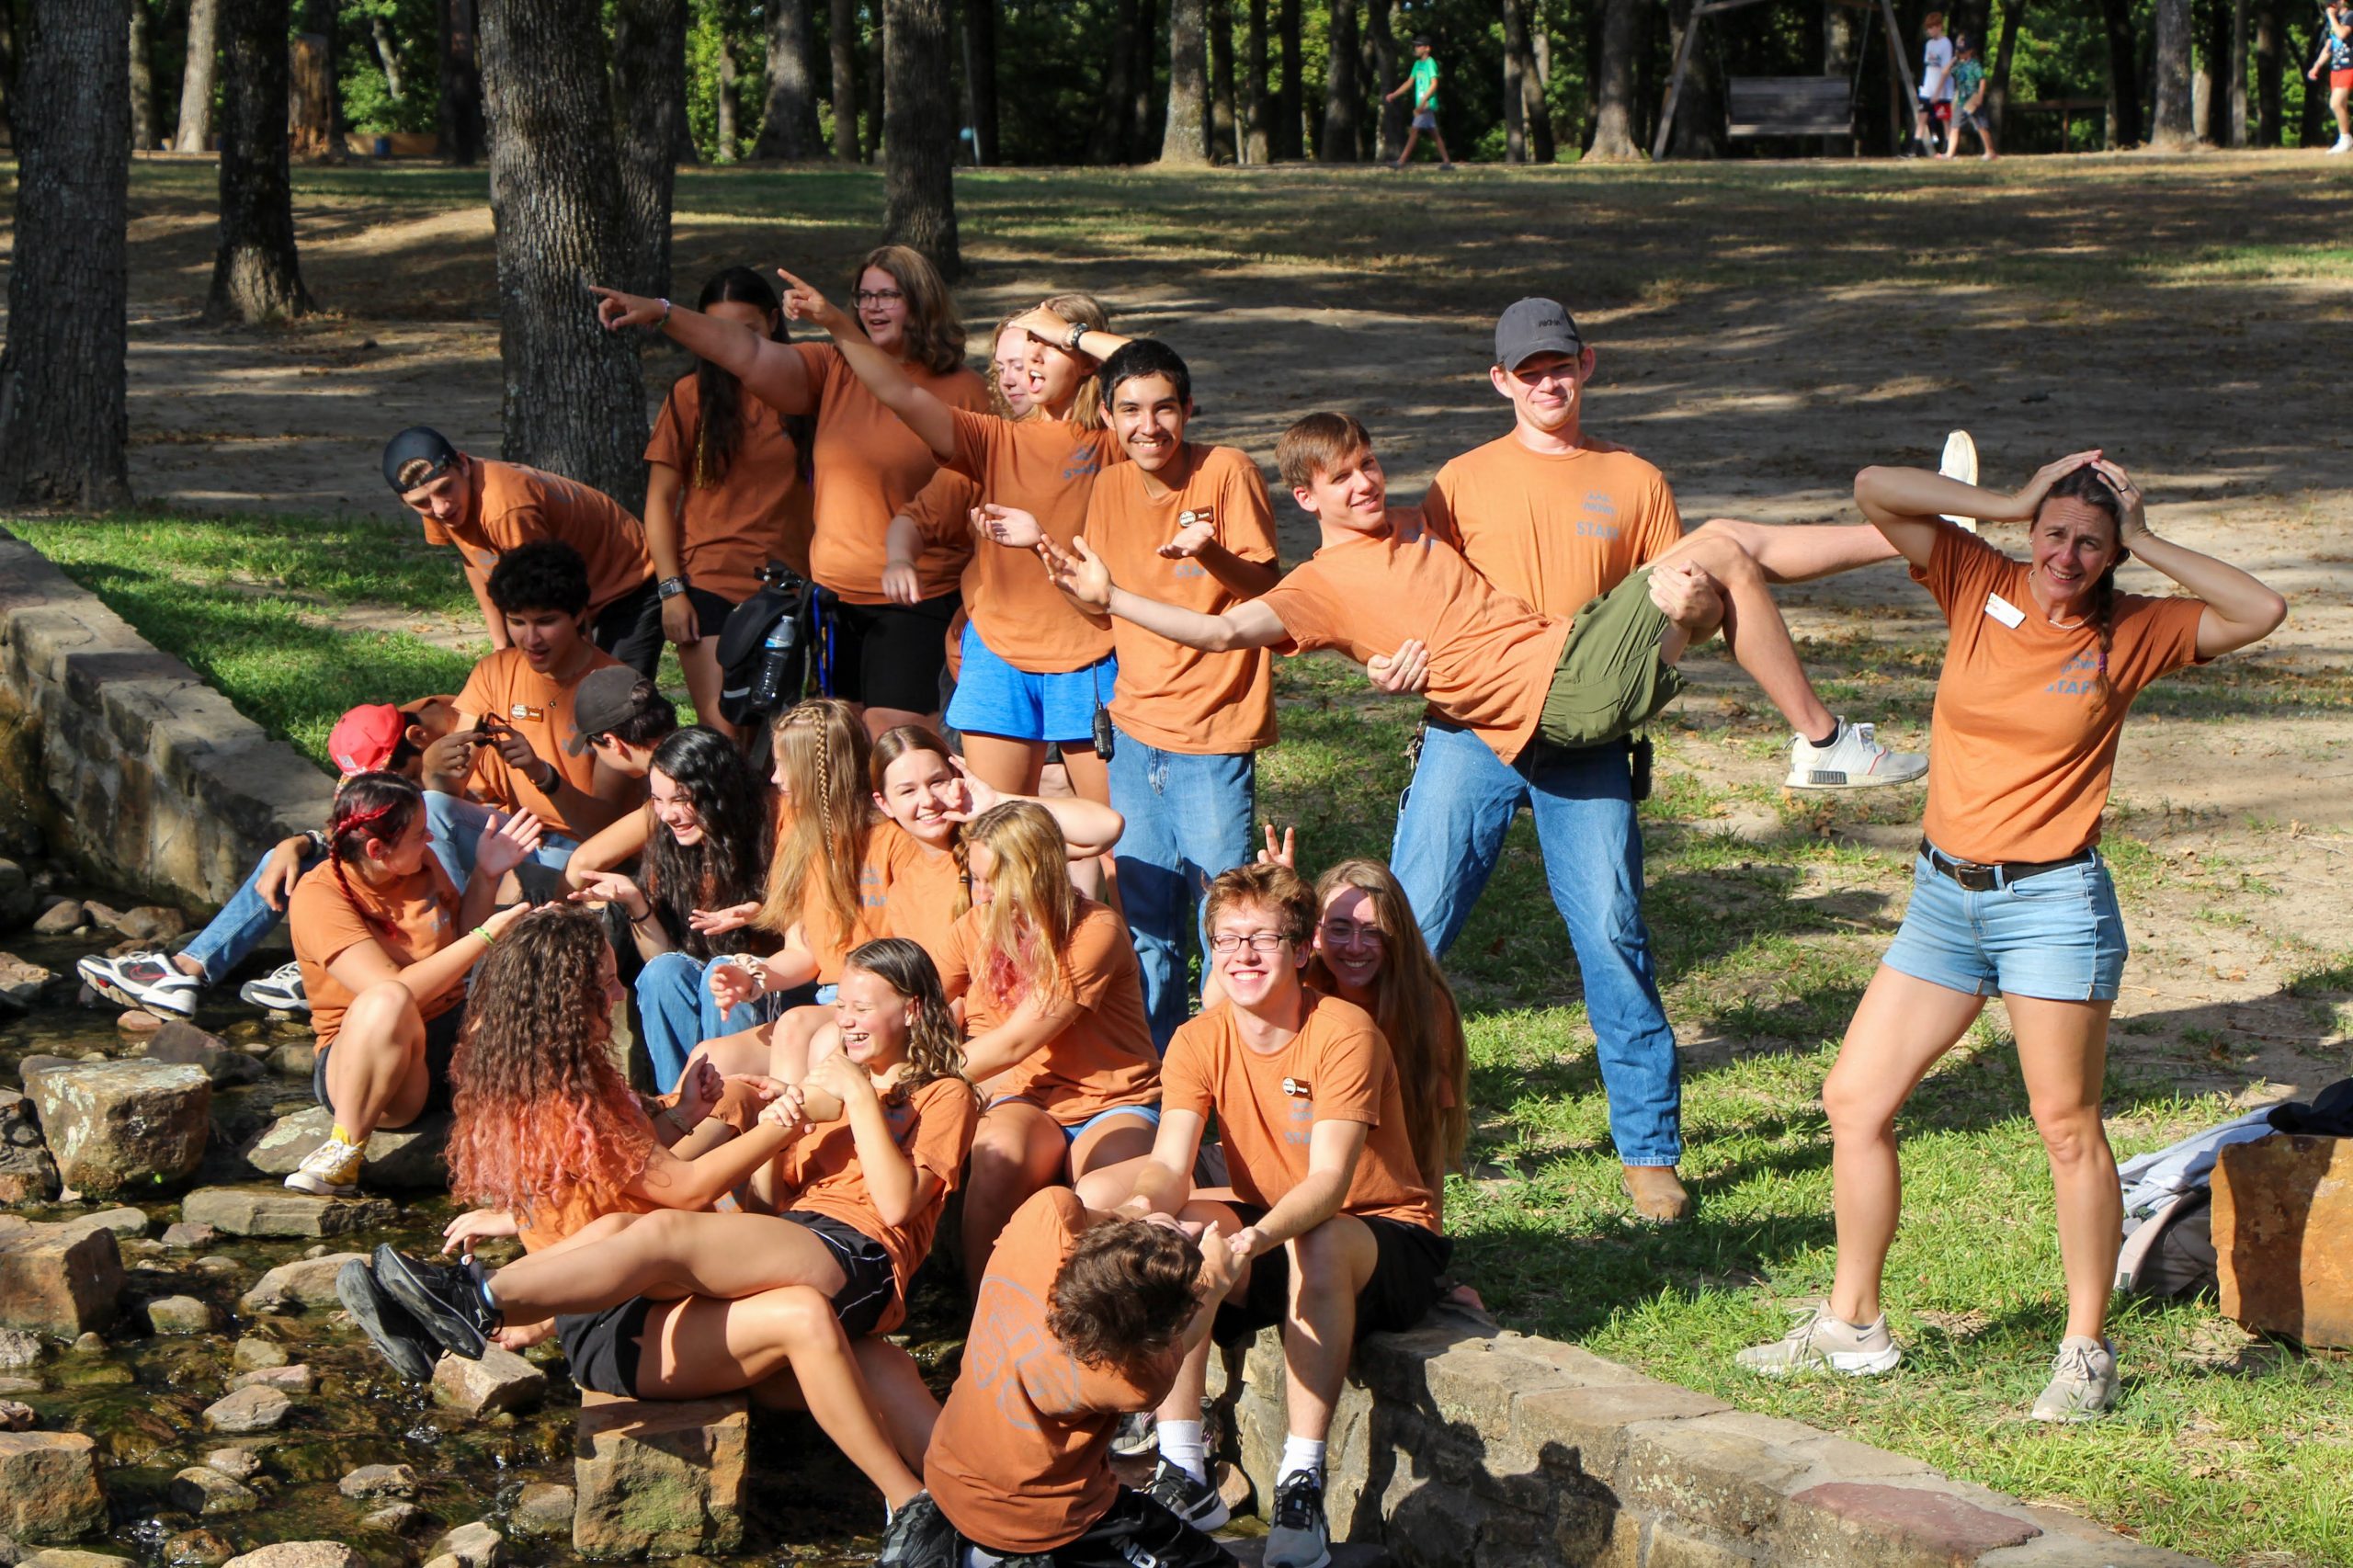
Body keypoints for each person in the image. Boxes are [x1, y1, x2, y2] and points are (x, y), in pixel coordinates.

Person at [1734, 451, 2285, 1421]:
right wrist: (2006, 501)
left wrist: (2146, 534)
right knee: (1854, 1098)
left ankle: (2086, 1353)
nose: (2066, 555)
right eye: (2054, 533)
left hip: (2052, 907)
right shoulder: (1975, 576)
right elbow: (1874, 489)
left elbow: (2260, 608)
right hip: (1943, 899)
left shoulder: (2133, 631)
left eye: (2091, 544)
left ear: (2113, 556)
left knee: (2066, 1127)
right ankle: (1852, 1324)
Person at [1395, 301, 1917, 1221]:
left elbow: (1690, 619)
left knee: (1614, 938)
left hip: (1586, 738)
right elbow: (1426, 599)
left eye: (1560, 365)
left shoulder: (1634, 480)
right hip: (1470, 729)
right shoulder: (1459, 482)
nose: (1547, 383)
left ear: (1588, 364)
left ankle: (1648, 1152)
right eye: (1529, 371)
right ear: (1500, 381)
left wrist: (1693, 612)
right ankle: (1379, 1124)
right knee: (1402, 935)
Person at [1040, 411, 1925, 914]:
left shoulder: (1418, 523)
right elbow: (1222, 632)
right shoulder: (1317, 586)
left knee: (1723, 549)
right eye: (1342, 478)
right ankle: (1824, 738)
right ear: (1306, 497)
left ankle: (1915, 539)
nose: (1364, 483)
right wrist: (1113, 596)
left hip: (1570, 656)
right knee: (1722, 542)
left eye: (1369, 464)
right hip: (1554, 696)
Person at [344, 917, 968, 1511]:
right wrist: (780, 1121)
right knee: (643, 1233)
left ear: (911, 1010)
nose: (845, 1020)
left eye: (860, 1007)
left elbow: (892, 1203)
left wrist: (826, 1103)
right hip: (770, 1250)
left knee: (660, 1229)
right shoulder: (577, 1093)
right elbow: (731, 1195)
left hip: (853, 1253)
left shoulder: (942, 1094)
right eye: (842, 1006)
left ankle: (474, 1299)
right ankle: (940, 1510)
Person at [1080, 863, 1449, 1564]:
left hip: (1382, 1231)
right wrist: (1142, 1211)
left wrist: (1250, 1240)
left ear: (1303, 951)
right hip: (1279, 1220)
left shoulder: (1344, 1031)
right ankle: (1184, 1469)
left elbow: (1330, 1185)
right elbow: (1170, 1164)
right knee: (1180, 1231)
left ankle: (1301, 1479)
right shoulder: (1198, 1038)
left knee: (1318, 1241)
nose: (1242, 954)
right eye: (1227, 939)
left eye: (1264, 939)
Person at [977, 340, 1279, 1048]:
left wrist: (1209, 551)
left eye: (1164, 409)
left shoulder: (1227, 471)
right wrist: (1052, 562)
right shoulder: (1110, 486)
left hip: (1212, 732)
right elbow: (1099, 608)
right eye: (1131, 411)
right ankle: (1159, 1070)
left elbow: (1268, 591)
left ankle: (1228, 1063)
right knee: (1145, 920)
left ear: (1189, 409)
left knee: (1224, 917)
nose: (1149, 426)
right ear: (1109, 418)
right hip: (1135, 728)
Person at [592, 245, 990, 737]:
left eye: (888, 295)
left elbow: (975, 501)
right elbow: (746, 350)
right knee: (841, 738)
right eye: (864, 296)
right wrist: (663, 313)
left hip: (916, 594)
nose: (873, 307)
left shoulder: (965, 390)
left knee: (895, 737)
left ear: (922, 300)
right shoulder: (832, 367)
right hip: (834, 598)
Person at [778, 275, 1135, 802]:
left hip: (1091, 655)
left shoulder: (1120, 438)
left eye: (1048, 347)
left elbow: (1153, 369)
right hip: (999, 656)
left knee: (1112, 833)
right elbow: (898, 392)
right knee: (995, 821)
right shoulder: (992, 437)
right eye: (1026, 349)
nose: (1031, 362)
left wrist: (1074, 334)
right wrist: (835, 322)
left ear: (1084, 359)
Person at [877, 1187, 1241, 1568]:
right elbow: (1183, 1337)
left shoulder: (1042, 1218)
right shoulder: (1133, 1379)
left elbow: (1075, 1212)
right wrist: (1214, 1281)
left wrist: (1133, 1216)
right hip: (1043, 1523)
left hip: (947, 1480)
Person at [75, 694, 472, 1020]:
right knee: (285, 863)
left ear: (418, 737)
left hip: (465, 892)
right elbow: (353, 831)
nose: (389, 791)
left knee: (429, 815)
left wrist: (438, 786)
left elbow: (476, 831)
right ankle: (186, 971)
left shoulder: (470, 739)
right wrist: (297, 844)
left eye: (393, 778)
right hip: (406, 882)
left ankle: (338, 970)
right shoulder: (405, 730)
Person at [280, 772, 541, 1196]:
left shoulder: (421, 864)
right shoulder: (318, 897)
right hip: (374, 1063)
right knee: (386, 1000)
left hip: (447, 1036)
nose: (431, 840)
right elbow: (399, 991)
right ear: (377, 851)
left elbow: (457, 943)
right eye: (420, 834)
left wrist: (486, 874)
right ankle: (344, 1150)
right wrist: (487, 936)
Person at [937, 801, 1161, 1276]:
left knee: (1098, 1192)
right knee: (997, 1157)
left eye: (994, 881)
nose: (982, 895)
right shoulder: (974, 926)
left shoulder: (1094, 930)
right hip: (1028, 1096)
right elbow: (915, 999)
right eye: (975, 879)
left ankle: (1083, 1314)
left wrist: (914, 1075)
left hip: (1113, 1101)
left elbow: (1016, 1041)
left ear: (1035, 876)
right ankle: (984, 1309)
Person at [642, 267, 817, 742]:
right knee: (724, 738)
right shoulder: (689, 395)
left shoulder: (806, 385)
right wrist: (672, 592)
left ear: (773, 322)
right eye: (717, 330)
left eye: (747, 330)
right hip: (710, 581)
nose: (732, 343)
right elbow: (659, 501)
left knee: (783, 743)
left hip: (791, 586)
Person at [566, 727, 778, 1093]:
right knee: (662, 973)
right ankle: (680, 1106)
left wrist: (758, 913)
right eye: (657, 801)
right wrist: (636, 901)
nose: (667, 815)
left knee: (720, 969)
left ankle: (734, 1105)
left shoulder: (767, 830)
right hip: (702, 982)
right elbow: (662, 958)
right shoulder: (670, 848)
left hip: (767, 991)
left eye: (680, 800)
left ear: (717, 792)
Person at [384, 427, 661, 676]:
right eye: (421, 503)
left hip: (630, 580)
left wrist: (576, 663)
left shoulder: (505, 509)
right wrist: (501, 647)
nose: (440, 507)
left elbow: (547, 591)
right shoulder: (441, 502)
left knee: (617, 695)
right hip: (576, 588)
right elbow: (475, 561)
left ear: (464, 465)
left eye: (445, 488)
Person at [450, 542, 649, 870]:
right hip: (516, 833)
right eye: (516, 622)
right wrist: (433, 767)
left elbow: (602, 827)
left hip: (581, 848)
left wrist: (543, 776)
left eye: (545, 621)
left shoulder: (618, 688)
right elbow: (450, 786)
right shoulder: (493, 671)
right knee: (432, 807)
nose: (531, 639)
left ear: (579, 614)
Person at [1386, 35, 1452, 169]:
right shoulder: (1417, 64)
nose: (1416, 48)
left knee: (1414, 130)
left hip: (1426, 104)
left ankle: (1401, 162)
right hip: (1421, 104)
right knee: (1434, 133)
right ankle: (1446, 162)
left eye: (1419, 45)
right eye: (1415, 45)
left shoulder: (1430, 63)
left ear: (1427, 48)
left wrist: (1423, 101)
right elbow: (1409, 83)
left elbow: (1434, 84)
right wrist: (1394, 95)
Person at [1940, 34, 1996, 159]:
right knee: (1955, 126)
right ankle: (1950, 153)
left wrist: (1980, 96)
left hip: (1973, 98)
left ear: (1970, 51)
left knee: (1981, 126)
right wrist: (1954, 59)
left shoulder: (1974, 64)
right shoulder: (1958, 66)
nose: (1961, 54)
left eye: (1963, 51)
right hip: (1961, 100)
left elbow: (1982, 80)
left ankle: (1990, 151)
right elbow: (1944, 72)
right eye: (1959, 51)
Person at [2307, 0, 2352, 153]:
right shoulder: (2334, 23)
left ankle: (2345, 139)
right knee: (2341, 105)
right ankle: (2343, 138)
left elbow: (2342, 34)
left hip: (2349, 66)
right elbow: (2329, 47)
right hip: (2337, 68)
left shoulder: (2350, 16)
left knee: (2335, 103)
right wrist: (2317, 66)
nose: (2329, 7)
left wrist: (2332, 18)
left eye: (2332, 3)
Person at [1914, 11, 1954, 155]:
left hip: (1942, 90)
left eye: (1932, 27)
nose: (1930, 31)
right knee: (1922, 117)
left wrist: (1938, 92)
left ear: (1939, 26)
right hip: (1928, 88)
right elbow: (1928, 66)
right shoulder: (1929, 44)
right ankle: (1915, 149)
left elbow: (1945, 70)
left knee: (1944, 119)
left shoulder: (1946, 44)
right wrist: (1926, 87)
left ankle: (1948, 148)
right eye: (1928, 28)